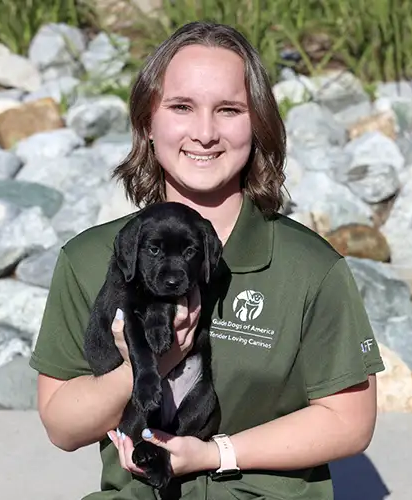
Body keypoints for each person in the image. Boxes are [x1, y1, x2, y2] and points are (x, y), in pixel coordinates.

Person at [29, 20, 385, 500]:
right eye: (181, 107)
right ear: (147, 121)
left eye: (229, 110)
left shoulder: (310, 268)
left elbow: (350, 422)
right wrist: (146, 361)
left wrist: (217, 453)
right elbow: (62, 427)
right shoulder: (90, 258)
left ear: (257, 124)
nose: (204, 133)